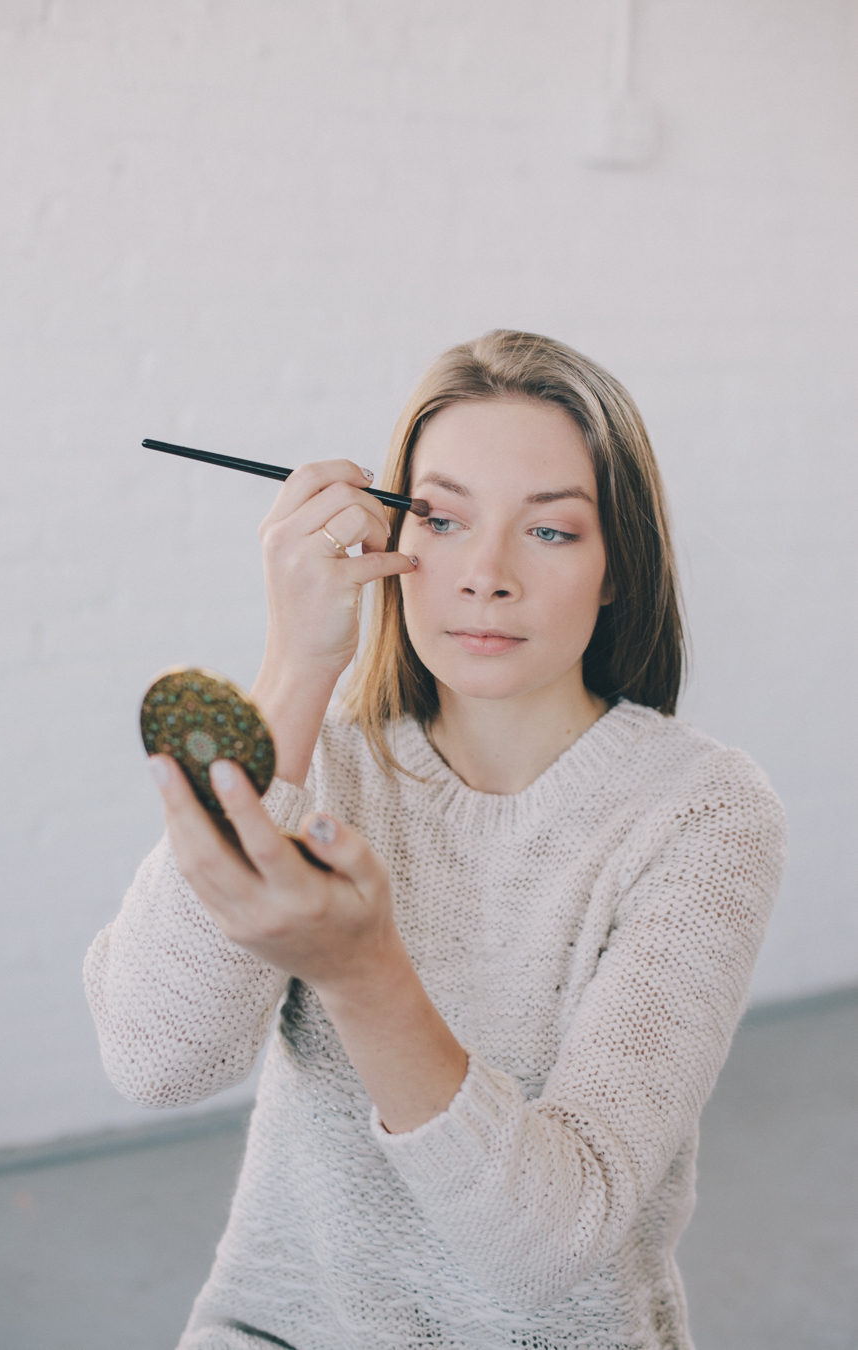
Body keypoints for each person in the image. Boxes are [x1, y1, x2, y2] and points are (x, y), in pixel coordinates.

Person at [84, 331, 786, 1350]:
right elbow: (155, 1058)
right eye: (443, 520)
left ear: (616, 569)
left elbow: (548, 1247)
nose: (485, 575)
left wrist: (366, 977)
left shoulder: (702, 812)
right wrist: (293, 666)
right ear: (386, 542)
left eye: (550, 533)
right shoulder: (320, 762)